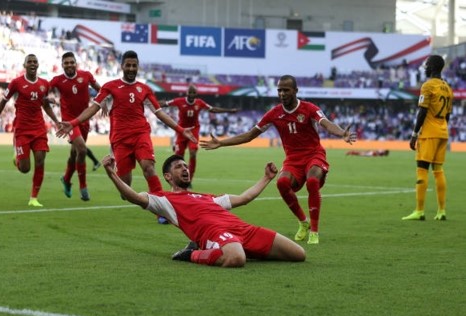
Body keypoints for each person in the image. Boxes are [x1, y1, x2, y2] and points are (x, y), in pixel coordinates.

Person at [200, 75, 356, 245]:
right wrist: (222, 143)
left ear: (295, 91)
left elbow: (326, 123)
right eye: (279, 90)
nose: (282, 93)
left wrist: (342, 133)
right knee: (281, 184)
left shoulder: (309, 108)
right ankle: (303, 222)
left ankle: (315, 231)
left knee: (312, 181)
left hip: (314, 154)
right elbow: (250, 135)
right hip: (292, 159)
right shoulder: (274, 114)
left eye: (286, 90)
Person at [57, 50, 195, 222]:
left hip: (141, 135)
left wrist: (181, 130)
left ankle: (162, 211)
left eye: (134, 65)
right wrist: (73, 122)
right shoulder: (110, 87)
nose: (131, 68)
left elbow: (159, 113)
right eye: (128, 65)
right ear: (122, 66)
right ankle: (124, 184)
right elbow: (93, 108)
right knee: (126, 189)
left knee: (149, 167)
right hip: (120, 140)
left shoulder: (144, 89)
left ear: (138, 67)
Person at [102, 154, 306, 267]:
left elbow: (245, 198)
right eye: (178, 167)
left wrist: (266, 178)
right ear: (167, 176)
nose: (185, 169)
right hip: (215, 234)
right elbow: (135, 198)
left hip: (242, 229)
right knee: (236, 259)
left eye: (185, 166)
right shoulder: (166, 200)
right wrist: (112, 174)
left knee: (298, 254)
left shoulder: (208, 197)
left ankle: (233, 249)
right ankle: (192, 253)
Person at [0, 54, 60, 207]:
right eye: (30, 62)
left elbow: (44, 104)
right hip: (22, 129)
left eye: (35, 61)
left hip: (39, 128)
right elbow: (2, 102)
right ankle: (17, 158)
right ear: (25, 65)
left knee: (40, 161)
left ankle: (33, 198)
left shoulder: (44, 84)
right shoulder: (16, 83)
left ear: (38, 65)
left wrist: (56, 121)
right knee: (25, 169)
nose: (33, 64)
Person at [402, 55, 453, 221]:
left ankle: (419, 210)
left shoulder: (428, 86)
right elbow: (448, 115)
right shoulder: (447, 87)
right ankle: (441, 211)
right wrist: (442, 129)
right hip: (442, 132)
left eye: (427, 65)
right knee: (438, 171)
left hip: (429, 133)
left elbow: (422, 111)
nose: (425, 67)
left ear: (432, 67)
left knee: (422, 169)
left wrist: (414, 135)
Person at [49, 51, 102, 201]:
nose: (69, 65)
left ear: (76, 63)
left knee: (74, 155)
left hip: (84, 120)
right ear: (62, 65)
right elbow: (43, 92)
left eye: (71, 62)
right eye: (66, 63)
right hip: (69, 122)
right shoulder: (58, 80)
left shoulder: (86, 76)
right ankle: (83, 187)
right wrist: (49, 99)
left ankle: (66, 179)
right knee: (83, 150)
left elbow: (102, 90)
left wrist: (102, 102)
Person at [159, 84, 238, 182]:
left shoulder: (199, 103)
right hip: (182, 131)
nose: (192, 94)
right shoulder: (179, 101)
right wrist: (149, 103)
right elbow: (164, 103)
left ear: (196, 94)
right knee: (178, 157)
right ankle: (177, 178)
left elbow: (213, 109)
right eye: (190, 92)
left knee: (193, 153)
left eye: (194, 92)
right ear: (187, 93)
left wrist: (229, 110)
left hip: (194, 130)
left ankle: (189, 179)